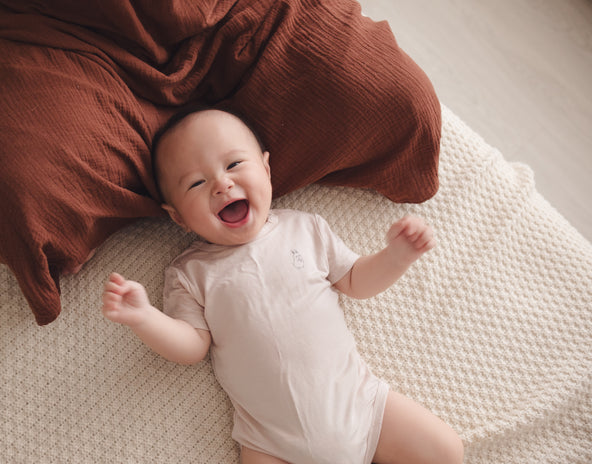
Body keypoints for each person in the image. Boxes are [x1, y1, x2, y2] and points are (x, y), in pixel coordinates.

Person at [101, 109, 463, 464]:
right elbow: (191, 346)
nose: (222, 184)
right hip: (272, 443)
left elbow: (356, 280)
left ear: (266, 169)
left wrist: (397, 255)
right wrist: (145, 318)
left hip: (362, 408)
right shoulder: (190, 272)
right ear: (178, 217)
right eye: (196, 183)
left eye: (234, 165)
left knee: (445, 450)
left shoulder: (305, 229)